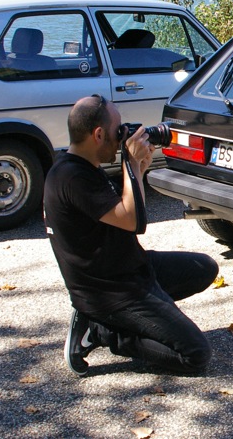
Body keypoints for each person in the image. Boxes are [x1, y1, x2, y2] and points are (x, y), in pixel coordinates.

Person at [44, 94, 219, 376]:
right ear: (98, 134)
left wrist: (138, 166)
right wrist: (129, 162)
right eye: (118, 130)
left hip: (131, 268)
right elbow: (133, 220)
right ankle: (103, 331)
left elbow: (121, 204)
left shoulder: (84, 167)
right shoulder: (71, 177)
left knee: (204, 267)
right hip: (109, 291)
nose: (122, 135)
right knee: (195, 355)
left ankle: (141, 317)